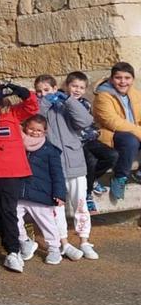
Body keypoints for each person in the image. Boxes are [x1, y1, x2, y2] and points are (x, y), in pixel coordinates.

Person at [0, 77, 38, 274]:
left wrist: (18, 90)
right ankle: (14, 241)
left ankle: (13, 251)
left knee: (9, 209)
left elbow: (32, 106)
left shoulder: (11, 111)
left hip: (11, 169)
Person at [35, 75, 98, 260]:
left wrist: (68, 100)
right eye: (39, 91)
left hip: (75, 163)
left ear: (56, 88)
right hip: (54, 167)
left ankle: (84, 241)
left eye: (47, 90)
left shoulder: (68, 105)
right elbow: (36, 117)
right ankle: (63, 243)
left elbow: (85, 121)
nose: (42, 94)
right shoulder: (42, 106)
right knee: (58, 208)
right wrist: (45, 102)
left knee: (80, 205)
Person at [17, 115, 67, 266]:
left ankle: (54, 248)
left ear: (45, 132)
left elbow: (57, 173)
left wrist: (59, 193)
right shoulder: (19, 144)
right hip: (19, 192)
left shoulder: (50, 150)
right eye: (31, 128)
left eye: (39, 130)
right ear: (25, 127)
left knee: (47, 223)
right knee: (12, 218)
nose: (34, 132)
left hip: (41, 195)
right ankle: (25, 242)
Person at [64, 71, 118, 210]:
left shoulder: (85, 104)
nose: (77, 90)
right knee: (91, 161)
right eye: (74, 86)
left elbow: (88, 123)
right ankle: (87, 194)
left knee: (112, 155)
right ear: (67, 86)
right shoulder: (62, 104)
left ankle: (92, 180)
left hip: (89, 139)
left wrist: (94, 132)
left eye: (81, 88)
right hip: (75, 143)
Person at [92, 62, 141, 200]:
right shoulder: (103, 96)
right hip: (112, 134)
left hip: (133, 131)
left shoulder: (135, 94)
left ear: (133, 79)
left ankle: (139, 174)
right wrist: (139, 131)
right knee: (130, 141)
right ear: (112, 79)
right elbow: (112, 121)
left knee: (133, 138)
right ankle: (120, 177)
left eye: (127, 78)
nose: (123, 81)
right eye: (118, 78)